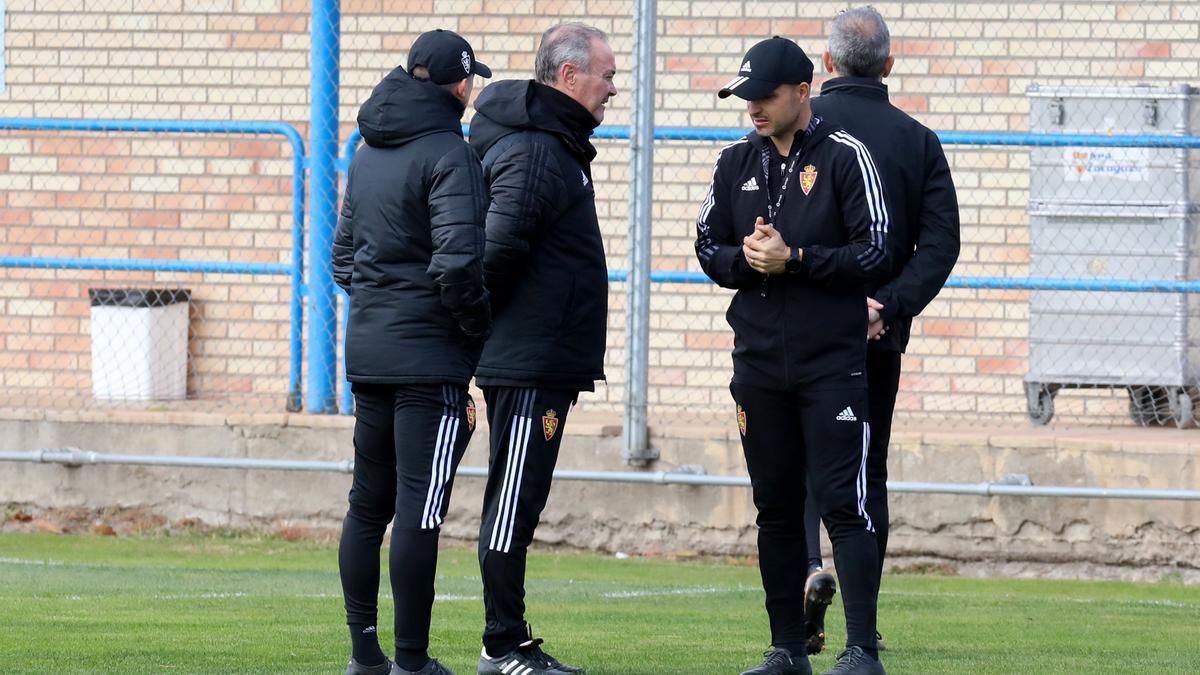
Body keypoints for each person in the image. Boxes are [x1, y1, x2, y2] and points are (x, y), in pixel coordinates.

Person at [695, 36, 891, 675]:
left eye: (765, 95)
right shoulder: (733, 162)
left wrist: (799, 260)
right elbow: (705, 245)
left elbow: (876, 250)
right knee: (775, 506)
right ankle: (786, 649)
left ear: (803, 92)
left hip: (830, 361)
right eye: (744, 95)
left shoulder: (844, 157)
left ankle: (860, 648)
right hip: (756, 362)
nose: (752, 106)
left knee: (843, 502)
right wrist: (745, 262)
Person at [800, 6, 961, 656]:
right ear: (889, 65)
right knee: (866, 467)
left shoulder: (803, 130)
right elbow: (941, 243)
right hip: (875, 338)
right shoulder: (917, 140)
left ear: (828, 63)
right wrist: (886, 306)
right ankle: (863, 619)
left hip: (802, 332)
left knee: (804, 466)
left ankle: (804, 580)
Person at [332, 28, 493, 675]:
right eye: (470, 78)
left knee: (367, 504)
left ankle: (365, 654)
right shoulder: (449, 152)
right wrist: (475, 331)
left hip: (369, 351)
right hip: (428, 360)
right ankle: (412, 660)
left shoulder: (368, 149)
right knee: (420, 507)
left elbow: (344, 258)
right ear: (459, 82)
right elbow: (459, 263)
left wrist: (382, 302)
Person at [466, 21, 617, 675]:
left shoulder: (556, 143)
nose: (613, 88)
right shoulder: (535, 150)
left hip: (542, 359)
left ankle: (508, 638)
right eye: (607, 76)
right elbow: (495, 252)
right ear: (568, 77)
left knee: (520, 496)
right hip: (528, 362)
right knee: (513, 501)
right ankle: (502, 644)